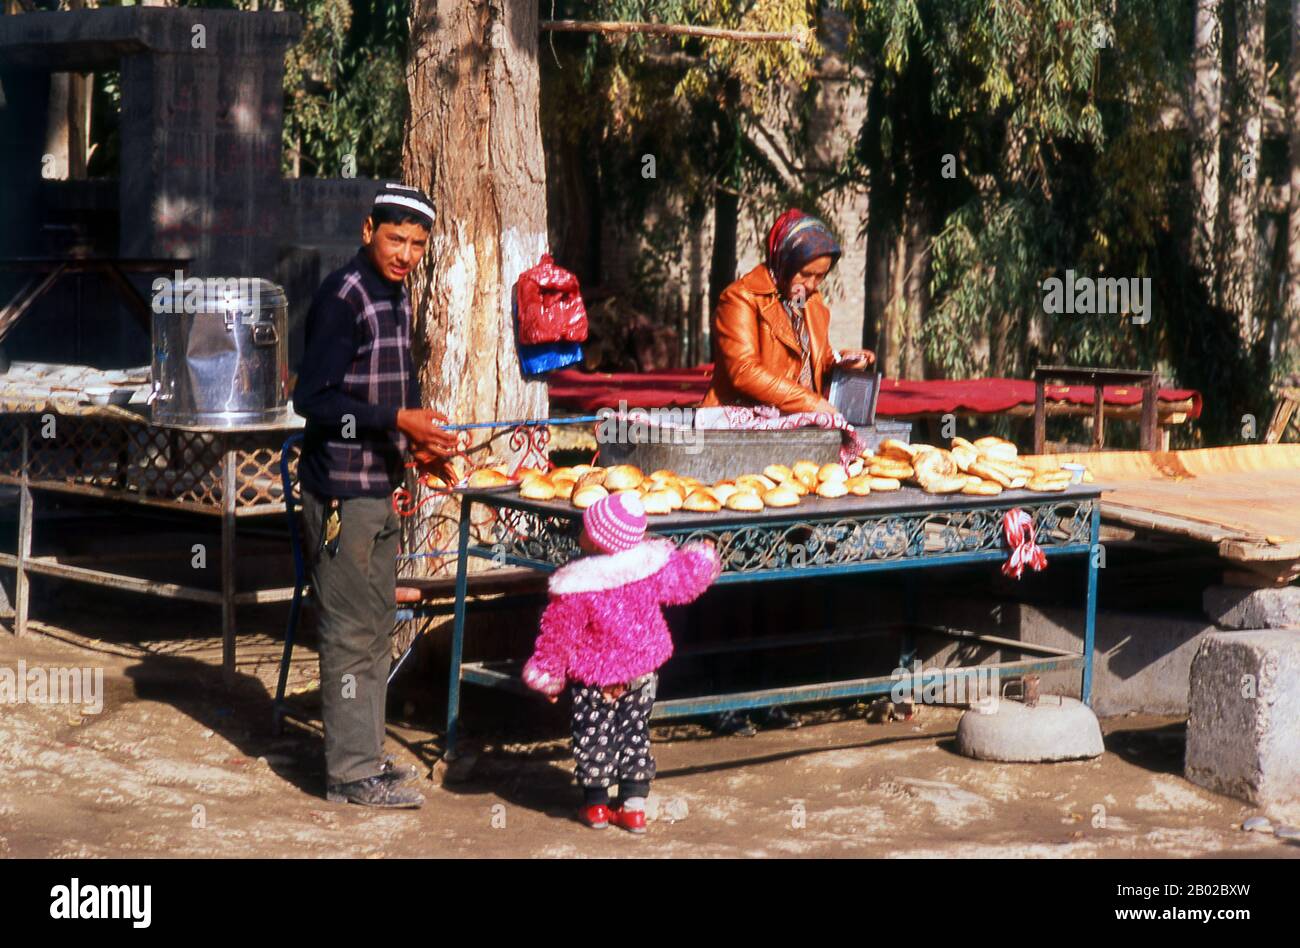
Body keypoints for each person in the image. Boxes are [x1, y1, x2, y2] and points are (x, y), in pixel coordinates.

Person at [293, 182, 458, 809]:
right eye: (395, 239)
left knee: (375, 626)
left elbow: (391, 385)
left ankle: (365, 756)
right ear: (368, 230)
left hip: (381, 486)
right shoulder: (344, 295)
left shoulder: (399, 294)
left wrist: (414, 448)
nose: (406, 253)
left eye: (417, 244)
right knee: (348, 629)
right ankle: (349, 775)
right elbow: (313, 403)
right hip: (341, 492)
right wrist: (397, 422)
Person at [521, 493, 720, 833]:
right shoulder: (650, 567)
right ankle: (633, 808)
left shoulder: (576, 585)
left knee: (593, 735)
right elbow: (687, 578)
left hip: (593, 678)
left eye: (585, 528)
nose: (580, 533)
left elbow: (558, 635)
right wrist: (704, 553)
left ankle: (596, 805)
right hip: (642, 672)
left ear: (597, 541)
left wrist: (549, 674)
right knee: (634, 732)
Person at [701, 208, 875, 414]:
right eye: (805, 273)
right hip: (741, 422)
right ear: (785, 261)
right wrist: (810, 403)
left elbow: (813, 360)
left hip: (795, 423)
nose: (811, 284)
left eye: (820, 276)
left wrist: (842, 363)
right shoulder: (741, 298)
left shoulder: (807, 300)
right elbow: (744, 372)